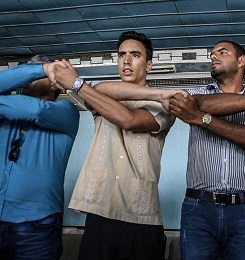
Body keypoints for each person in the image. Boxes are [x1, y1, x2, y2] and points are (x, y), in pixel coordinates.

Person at [51, 31, 182, 260]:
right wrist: (159, 91)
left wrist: (77, 83)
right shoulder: (104, 95)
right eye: (122, 55)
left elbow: (129, 120)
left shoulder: (164, 106)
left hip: (141, 218)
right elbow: (100, 89)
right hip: (99, 213)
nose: (126, 60)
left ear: (149, 64)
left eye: (135, 55)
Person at [168, 40, 245, 260]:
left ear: (241, 61)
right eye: (211, 54)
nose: (213, 56)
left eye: (222, 52)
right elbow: (202, 105)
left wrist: (202, 120)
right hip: (198, 209)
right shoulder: (196, 96)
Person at [0, 55, 80, 259]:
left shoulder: (67, 112)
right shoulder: (5, 111)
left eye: (35, 73)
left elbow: (36, 110)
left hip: (36, 226)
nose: (26, 77)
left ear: (55, 85)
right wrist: (44, 69)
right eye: (26, 72)